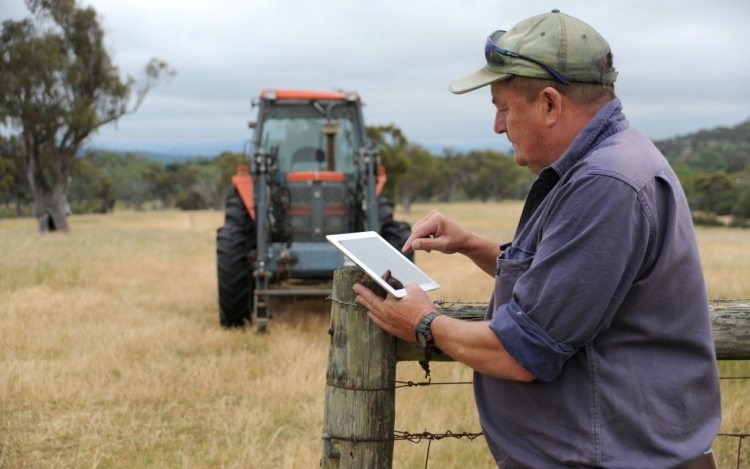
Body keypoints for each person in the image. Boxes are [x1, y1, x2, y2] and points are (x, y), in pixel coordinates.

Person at [353, 10, 721, 469]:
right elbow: (568, 282)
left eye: (502, 108)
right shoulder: (608, 166)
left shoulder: (606, 183)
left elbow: (523, 352)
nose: (498, 126)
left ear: (550, 104)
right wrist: (471, 244)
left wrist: (424, 324)